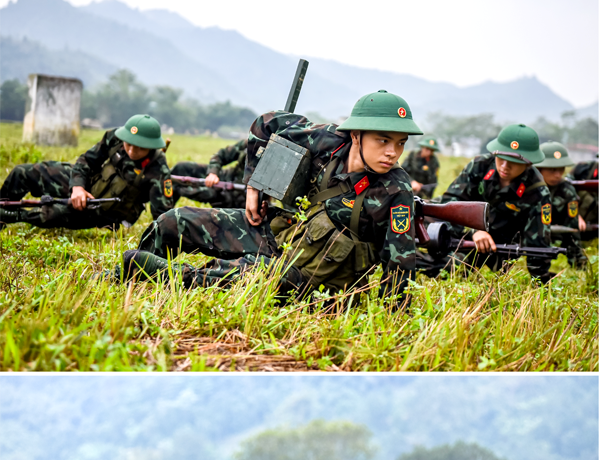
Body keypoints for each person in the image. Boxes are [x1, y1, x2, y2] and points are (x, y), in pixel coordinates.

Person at [118, 90, 421, 303]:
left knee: (234, 277)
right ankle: (124, 277)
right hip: (280, 234)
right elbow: (267, 123)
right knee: (174, 221)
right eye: (383, 140)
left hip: (309, 276)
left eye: (400, 143)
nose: (392, 152)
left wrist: (389, 312)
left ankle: (153, 271)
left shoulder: (396, 189)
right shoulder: (329, 139)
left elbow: (400, 263)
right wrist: (253, 185)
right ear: (356, 135)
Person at [422, 123, 555, 283]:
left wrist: (541, 284)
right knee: (427, 217)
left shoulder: (538, 191)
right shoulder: (479, 165)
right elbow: (449, 203)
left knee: (453, 267)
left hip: (499, 248)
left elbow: (538, 244)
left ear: (528, 163)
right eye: (501, 158)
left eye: (514, 161)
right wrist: (472, 231)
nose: (505, 166)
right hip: (465, 236)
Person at [0, 114, 175, 231]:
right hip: (88, 183)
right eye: (128, 143)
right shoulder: (115, 137)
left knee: (51, 213)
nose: (131, 150)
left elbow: (163, 220)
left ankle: (6, 215)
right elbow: (86, 161)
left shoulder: (158, 171)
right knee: (22, 172)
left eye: (139, 147)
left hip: (103, 210)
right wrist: (77, 187)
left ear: (152, 146)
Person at [534, 141, 588, 268]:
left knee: (572, 233)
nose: (557, 174)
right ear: (539, 168)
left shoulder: (567, 189)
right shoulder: (528, 187)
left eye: (560, 169)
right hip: (530, 228)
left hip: (558, 225)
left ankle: (578, 263)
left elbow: (572, 221)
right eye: (552, 170)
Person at [171, 138, 247, 209]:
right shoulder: (252, 143)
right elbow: (220, 155)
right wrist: (213, 173)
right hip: (224, 178)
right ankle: (162, 213)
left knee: (182, 189)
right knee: (181, 168)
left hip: (237, 198)